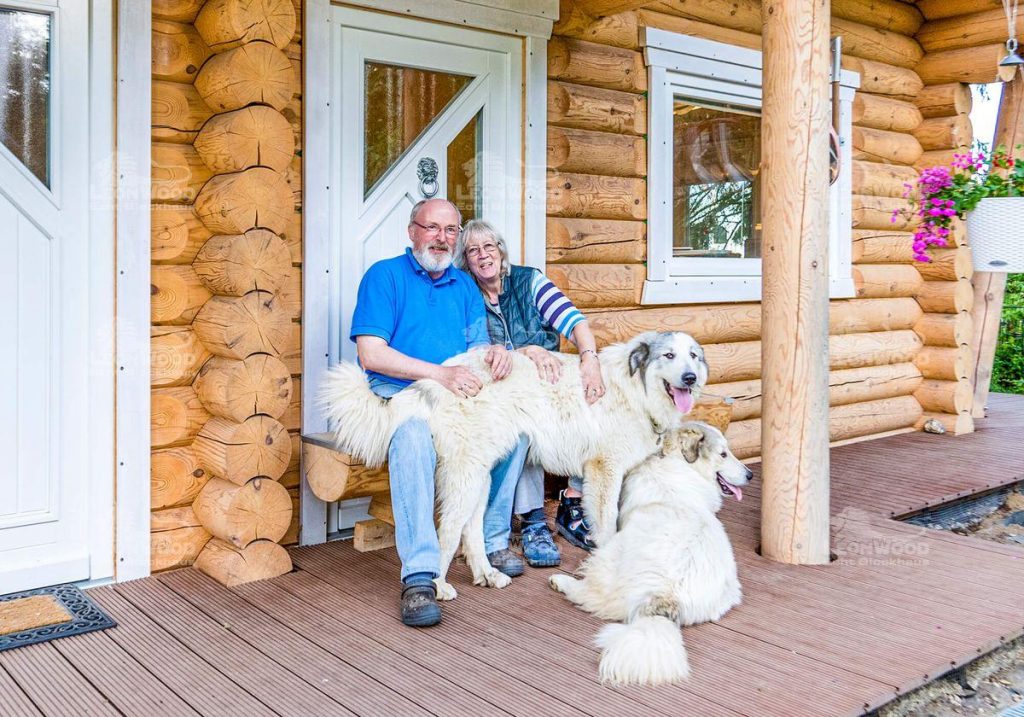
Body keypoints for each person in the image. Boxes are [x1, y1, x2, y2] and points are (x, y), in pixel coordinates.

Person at [350, 199, 526, 628]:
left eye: (451, 231)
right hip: (401, 394)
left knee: (515, 433)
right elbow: (371, 354)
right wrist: (439, 374)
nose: (442, 239)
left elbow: (476, 349)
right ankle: (420, 577)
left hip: (454, 395)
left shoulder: (464, 287)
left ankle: (486, 540)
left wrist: (497, 351)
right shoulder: (385, 276)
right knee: (413, 438)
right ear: (412, 231)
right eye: (432, 228)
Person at [454, 219, 606, 566]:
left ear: (501, 251)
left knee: (594, 397)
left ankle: (575, 497)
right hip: (505, 387)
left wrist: (590, 359)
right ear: (466, 260)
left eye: (489, 247)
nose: (483, 255)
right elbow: (477, 350)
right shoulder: (466, 294)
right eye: (473, 251)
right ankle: (533, 521)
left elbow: (574, 321)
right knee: (521, 426)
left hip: (548, 379)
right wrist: (524, 351)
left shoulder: (529, 281)